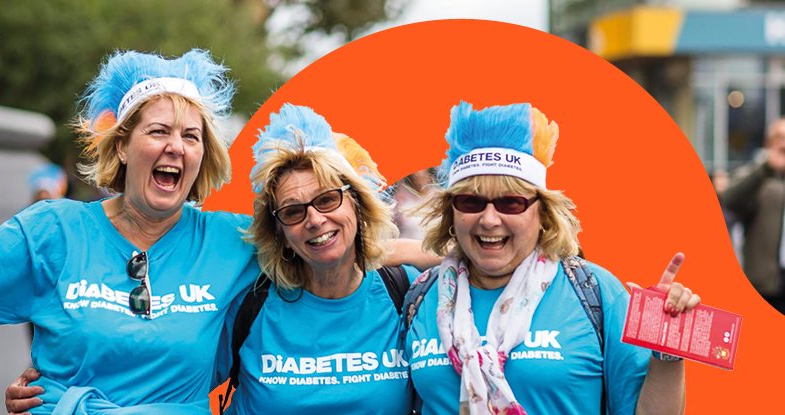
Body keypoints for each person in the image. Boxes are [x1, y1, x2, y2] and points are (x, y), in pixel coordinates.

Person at [0, 50, 438, 415]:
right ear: (123, 146)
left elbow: (364, 248)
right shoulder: (53, 232)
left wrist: (485, 236)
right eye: (159, 131)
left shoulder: (230, 243)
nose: (177, 147)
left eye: (192, 135)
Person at [405, 102, 699, 415]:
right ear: (451, 212)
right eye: (470, 201)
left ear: (543, 213)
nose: (489, 220)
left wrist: (668, 346)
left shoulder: (596, 292)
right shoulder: (421, 296)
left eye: (511, 203)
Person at [224, 104, 418, 413]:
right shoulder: (247, 302)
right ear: (281, 235)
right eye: (293, 211)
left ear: (357, 204)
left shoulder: (408, 293)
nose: (314, 220)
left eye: (328, 199)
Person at [721, 119, 785, 314]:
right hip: (765, 286)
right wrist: (767, 167)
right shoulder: (757, 177)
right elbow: (730, 199)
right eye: (779, 138)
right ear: (768, 144)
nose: (784, 144)